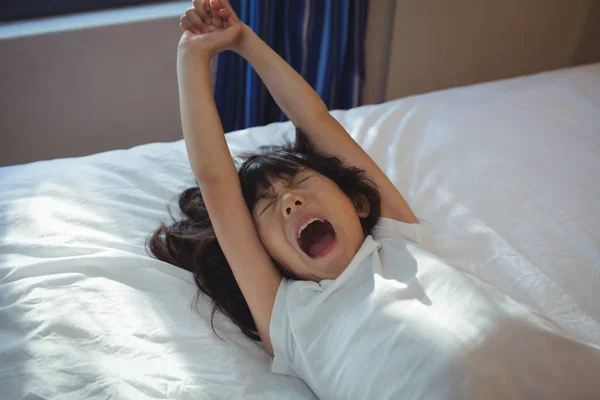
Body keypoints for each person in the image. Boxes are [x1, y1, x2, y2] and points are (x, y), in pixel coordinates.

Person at [149, 0, 600, 398]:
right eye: (270, 207)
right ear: (264, 253)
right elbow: (215, 179)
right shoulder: (289, 316)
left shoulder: (396, 238)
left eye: (300, 185)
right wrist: (193, 55)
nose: (290, 202)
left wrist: (246, 40)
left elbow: (315, 120)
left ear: (359, 205)